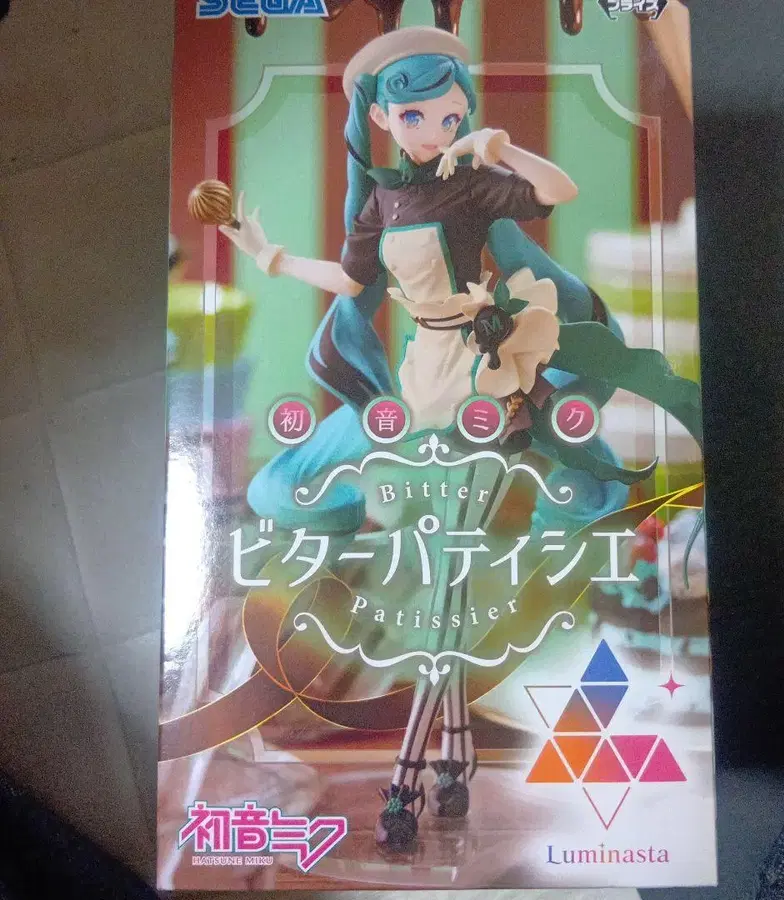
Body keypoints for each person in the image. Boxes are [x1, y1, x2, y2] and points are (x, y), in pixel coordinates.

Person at [219, 25, 702, 850]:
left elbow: (558, 191)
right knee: (381, 546)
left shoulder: (475, 184)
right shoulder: (381, 200)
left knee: (446, 587)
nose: (435, 131)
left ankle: (414, 777)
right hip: (417, 383)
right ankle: (453, 759)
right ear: (383, 120)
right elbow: (353, 280)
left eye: (448, 115)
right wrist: (270, 258)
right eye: (415, 117)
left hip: (483, 382)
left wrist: (502, 150)